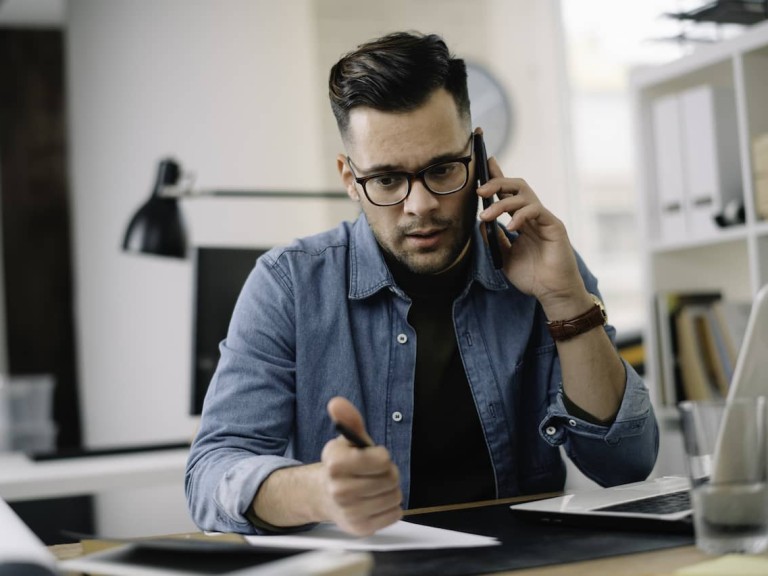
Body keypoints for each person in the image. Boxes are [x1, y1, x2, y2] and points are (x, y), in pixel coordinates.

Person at [185, 31, 658, 537]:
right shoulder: (288, 285)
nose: (421, 206)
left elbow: (626, 466)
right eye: (387, 180)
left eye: (441, 169)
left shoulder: (547, 264)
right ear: (350, 179)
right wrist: (319, 490)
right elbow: (211, 474)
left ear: (476, 156)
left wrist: (566, 301)